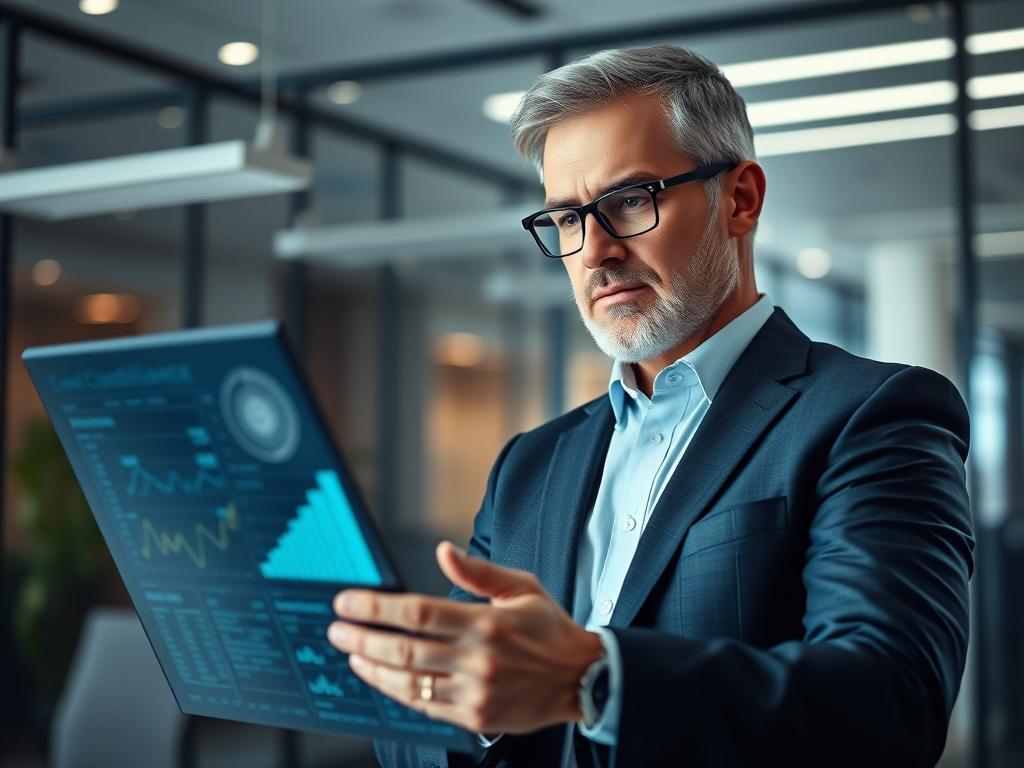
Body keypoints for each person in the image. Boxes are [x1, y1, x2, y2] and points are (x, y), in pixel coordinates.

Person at [326, 45, 974, 767]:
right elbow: (415, 732)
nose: (595, 251)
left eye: (630, 200)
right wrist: (465, 704)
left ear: (740, 199)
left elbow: (890, 704)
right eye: (567, 219)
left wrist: (591, 678)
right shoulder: (530, 465)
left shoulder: (871, 413)